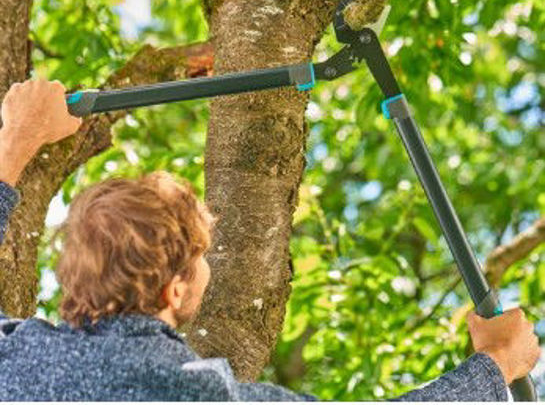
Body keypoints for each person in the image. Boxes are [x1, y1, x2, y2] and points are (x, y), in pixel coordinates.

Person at [0, 78, 539, 401]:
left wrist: (16, 137)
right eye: (201, 257)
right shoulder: (195, 392)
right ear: (174, 291)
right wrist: (494, 365)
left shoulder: (15, 359)